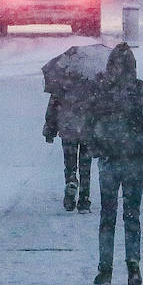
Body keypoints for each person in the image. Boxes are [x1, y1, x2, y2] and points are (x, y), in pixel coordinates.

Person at [85, 43, 143, 285]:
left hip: (110, 160)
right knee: (132, 214)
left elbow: (88, 123)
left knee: (107, 215)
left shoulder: (101, 92)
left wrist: (97, 148)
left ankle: (105, 267)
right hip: (134, 160)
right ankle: (133, 265)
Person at [43, 83, 94, 212]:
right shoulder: (93, 81)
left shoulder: (62, 82)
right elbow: (101, 107)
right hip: (87, 129)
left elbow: (53, 108)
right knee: (85, 167)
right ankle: (84, 200)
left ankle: (71, 181)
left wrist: (50, 130)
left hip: (68, 128)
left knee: (70, 164)